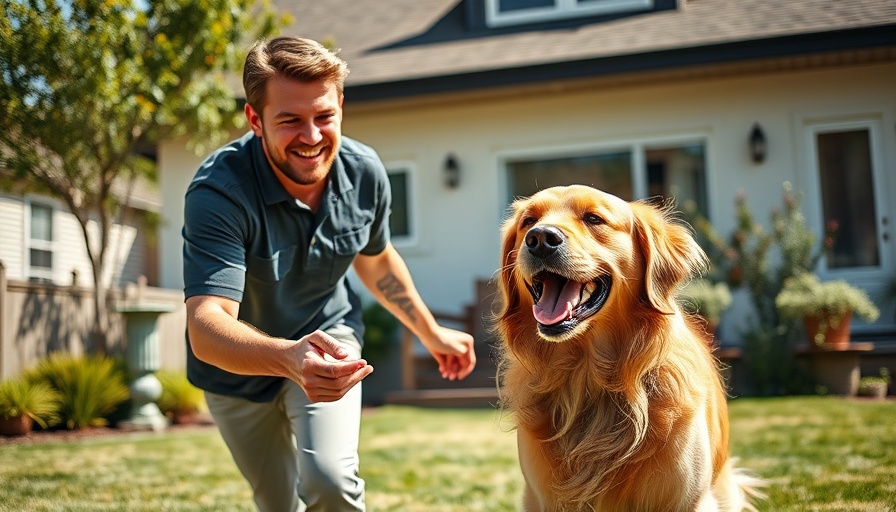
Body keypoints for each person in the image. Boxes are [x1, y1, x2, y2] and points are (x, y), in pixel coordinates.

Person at [181, 36, 477, 512]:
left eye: (324, 116)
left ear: (341, 104)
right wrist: (287, 359)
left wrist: (431, 333)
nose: (313, 137)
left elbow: (377, 261)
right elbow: (206, 325)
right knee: (277, 503)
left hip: (328, 337)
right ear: (255, 120)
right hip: (236, 374)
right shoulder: (220, 192)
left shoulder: (364, 174)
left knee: (330, 481)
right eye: (290, 121)